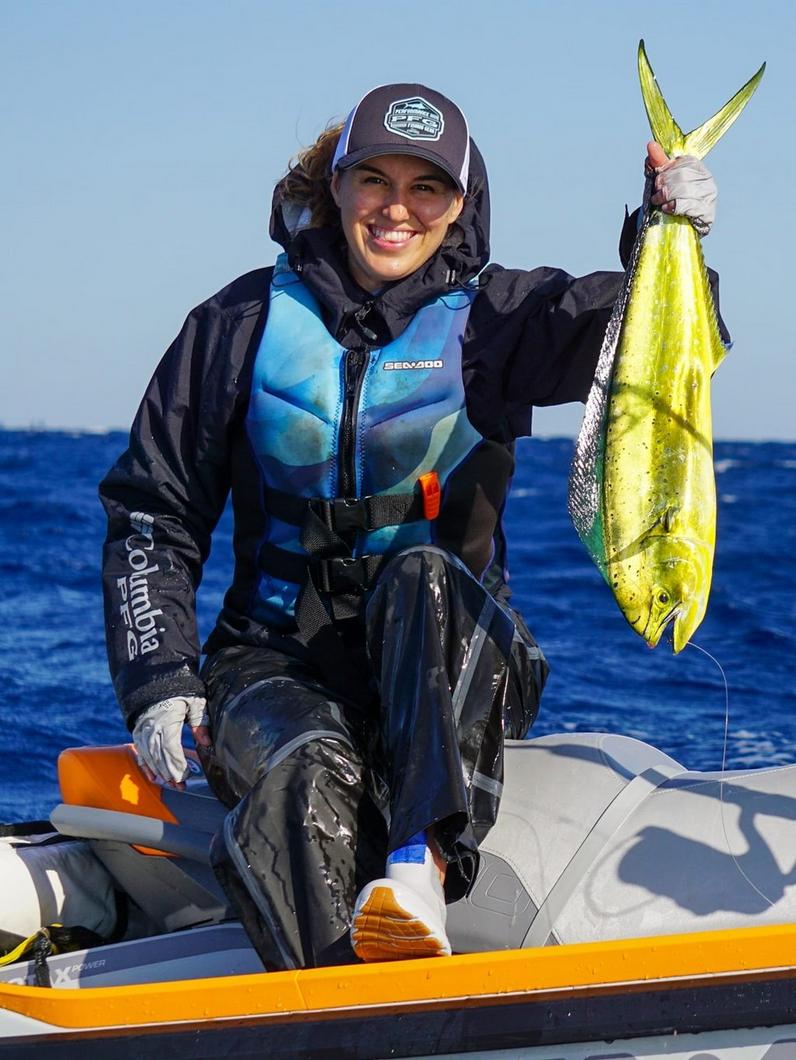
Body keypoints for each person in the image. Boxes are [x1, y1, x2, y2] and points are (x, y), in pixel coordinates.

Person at [100, 83, 720, 969]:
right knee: (308, 776)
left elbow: (661, 339)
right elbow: (153, 513)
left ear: (462, 203)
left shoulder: (502, 320)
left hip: (455, 661)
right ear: (334, 187)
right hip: (274, 661)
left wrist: (671, 229)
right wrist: (159, 680)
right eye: (374, 181)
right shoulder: (233, 326)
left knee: (422, 574)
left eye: (427, 187)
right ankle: (340, 1000)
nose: (398, 209)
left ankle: (417, 869)